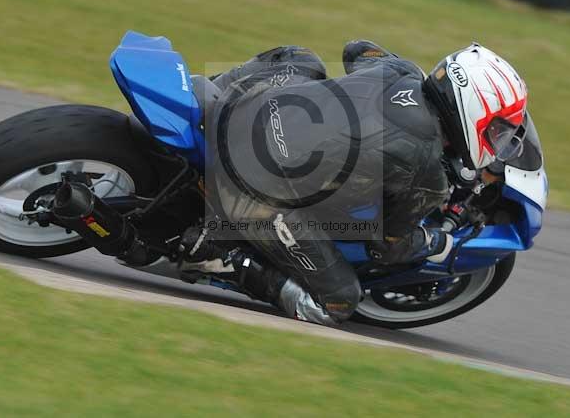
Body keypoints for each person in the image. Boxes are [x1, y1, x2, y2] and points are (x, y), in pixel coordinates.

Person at [140, 40, 528, 326]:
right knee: (339, 302)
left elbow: (356, 49)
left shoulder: (401, 72)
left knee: (302, 58)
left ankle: (205, 97)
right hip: (251, 188)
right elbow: (387, 247)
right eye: (497, 130)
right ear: (470, 111)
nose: (499, 142)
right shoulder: (428, 176)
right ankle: (221, 258)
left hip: (243, 108)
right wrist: (439, 242)